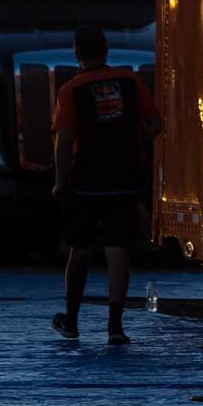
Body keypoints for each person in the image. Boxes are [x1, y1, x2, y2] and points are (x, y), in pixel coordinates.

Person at [51, 26, 160, 344]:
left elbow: (65, 140)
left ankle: (70, 320)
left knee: (79, 249)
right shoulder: (130, 81)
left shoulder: (70, 90)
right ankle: (115, 326)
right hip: (125, 181)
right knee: (118, 249)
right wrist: (135, 144)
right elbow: (154, 122)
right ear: (106, 51)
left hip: (85, 182)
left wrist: (60, 182)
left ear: (76, 53)